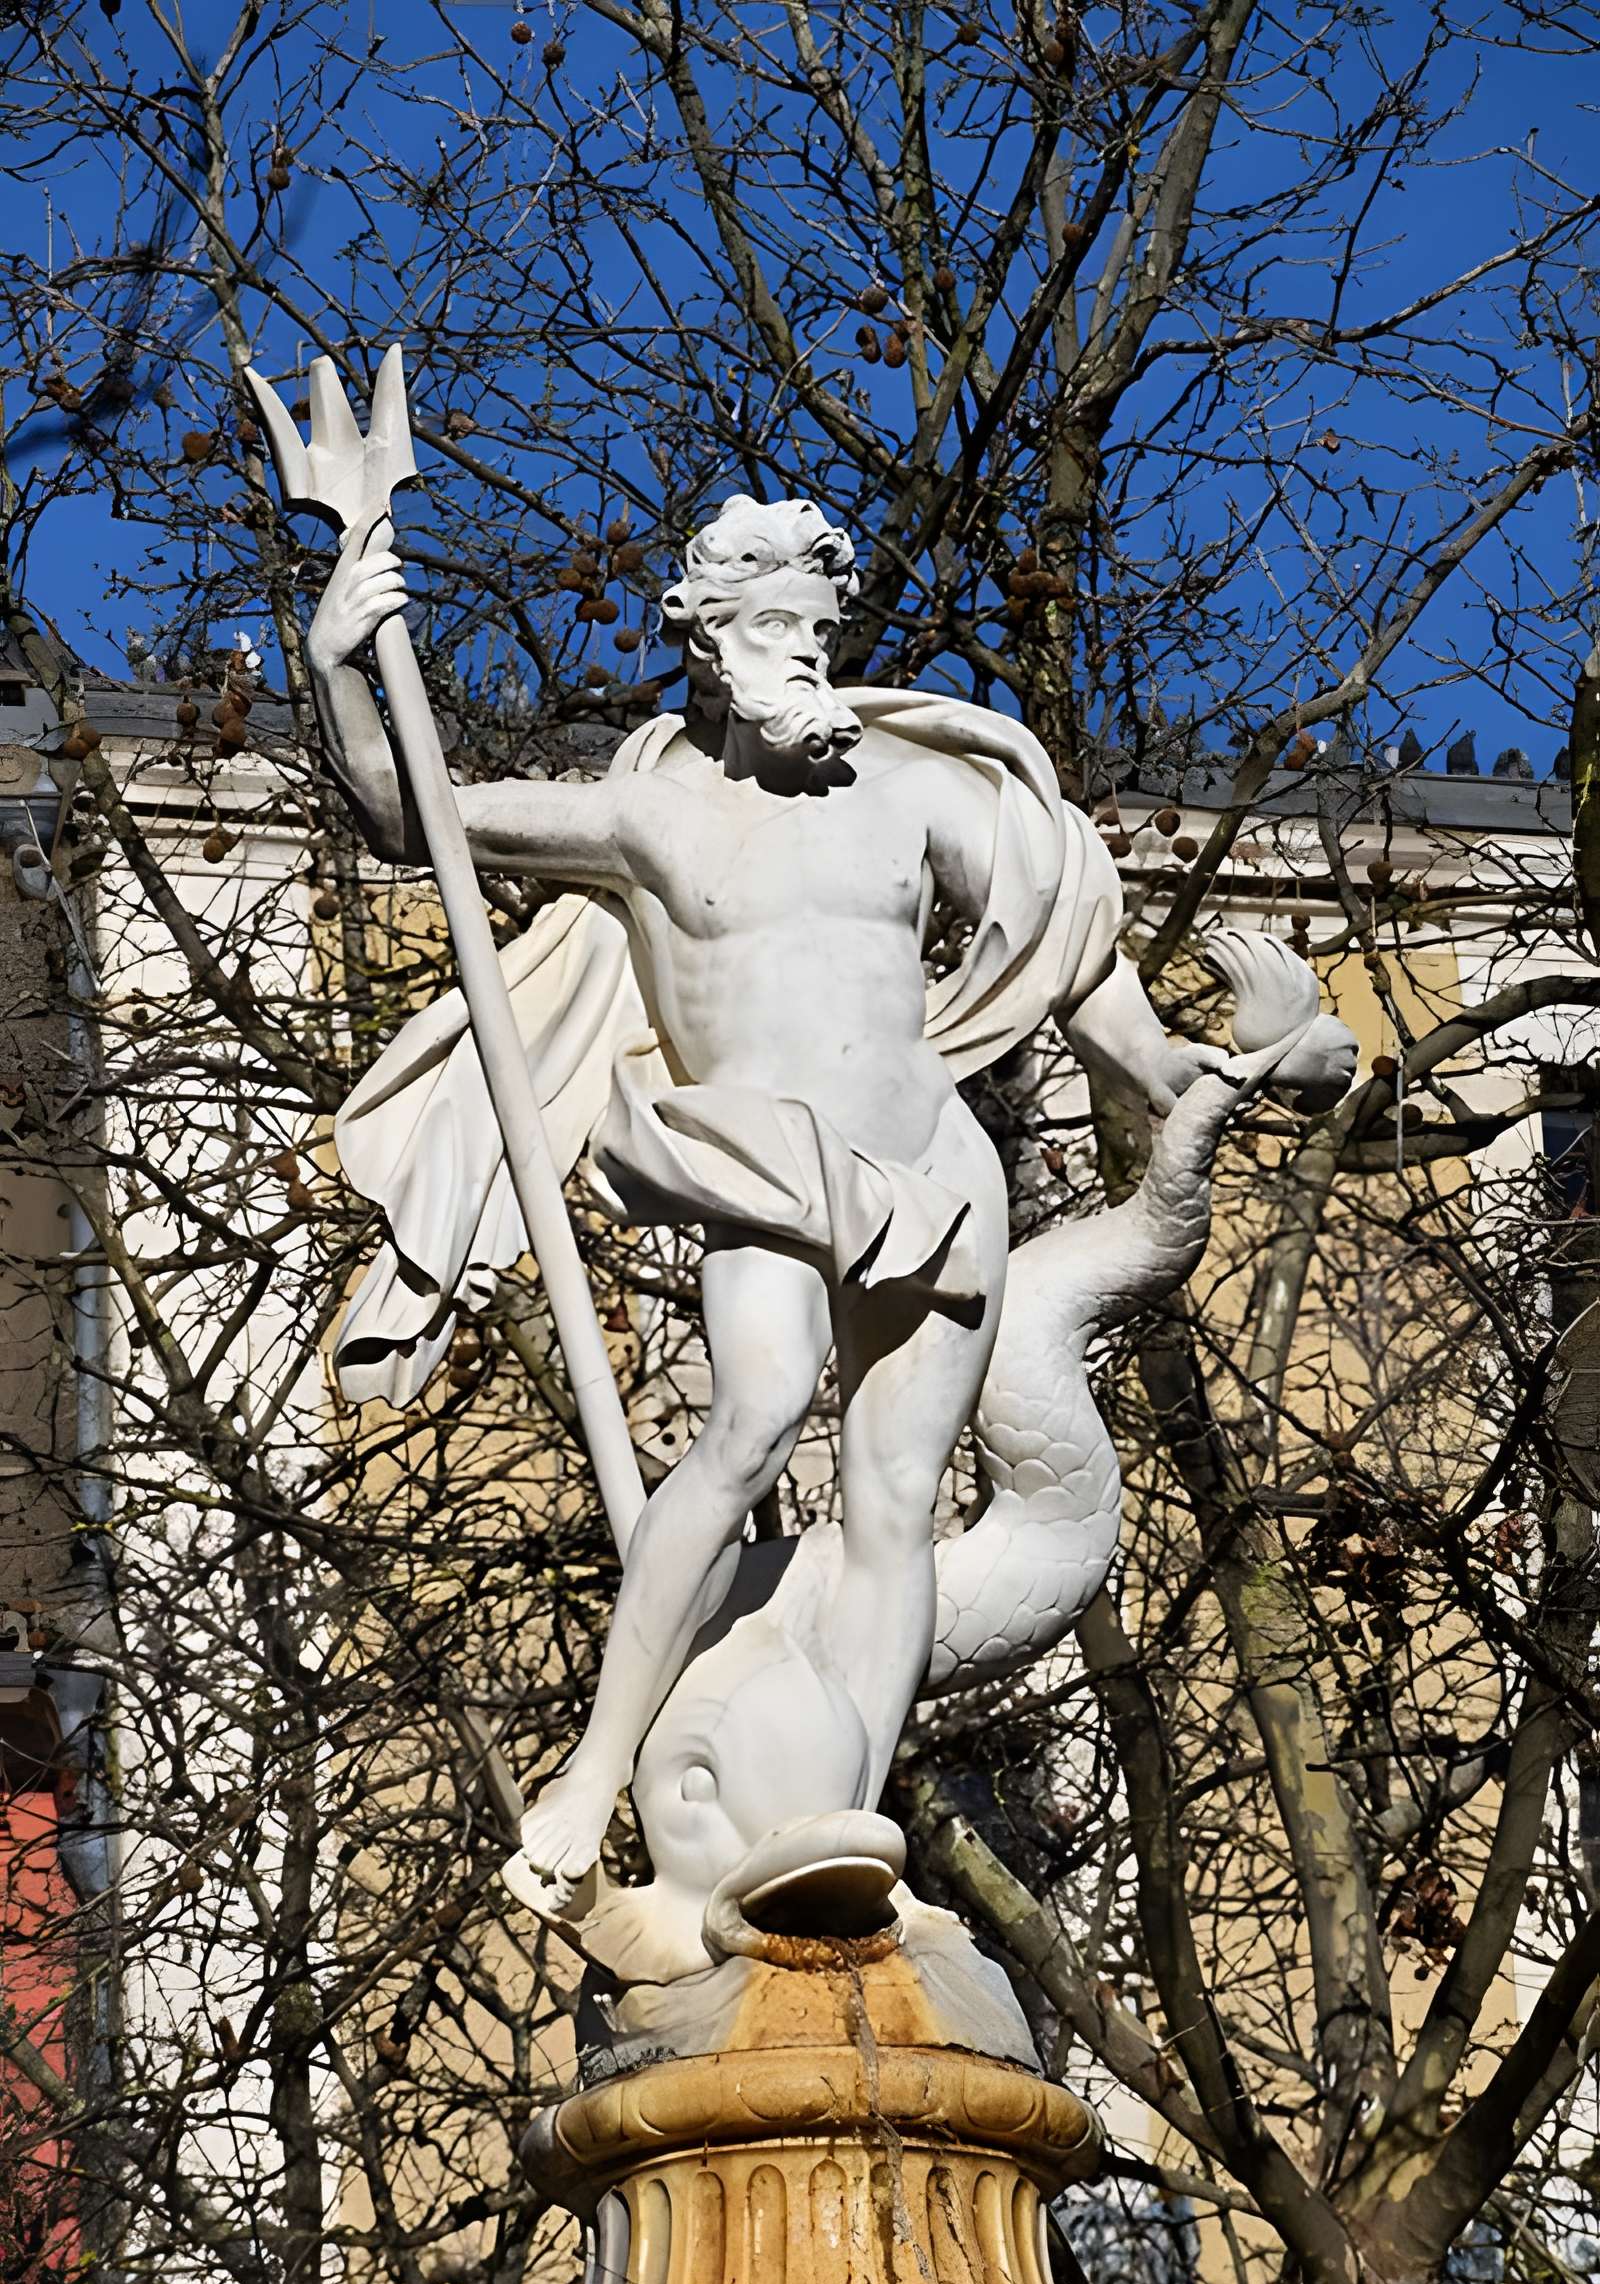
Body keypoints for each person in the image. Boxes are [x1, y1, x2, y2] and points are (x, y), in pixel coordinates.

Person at [306, 493, 1199, 1891]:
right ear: (708, 643)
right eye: (765, 626)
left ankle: (847, 1813)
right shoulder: (648, 817)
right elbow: (413, 812)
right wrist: (339, 663)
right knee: (756, 1412)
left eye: (812, 627)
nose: (797, 653)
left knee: (895, 1499)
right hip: (761, 1161)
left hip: (928, 1164)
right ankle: (597, 1770)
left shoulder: (911, 796)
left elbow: (1065, 931)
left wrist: (1164, 1068)